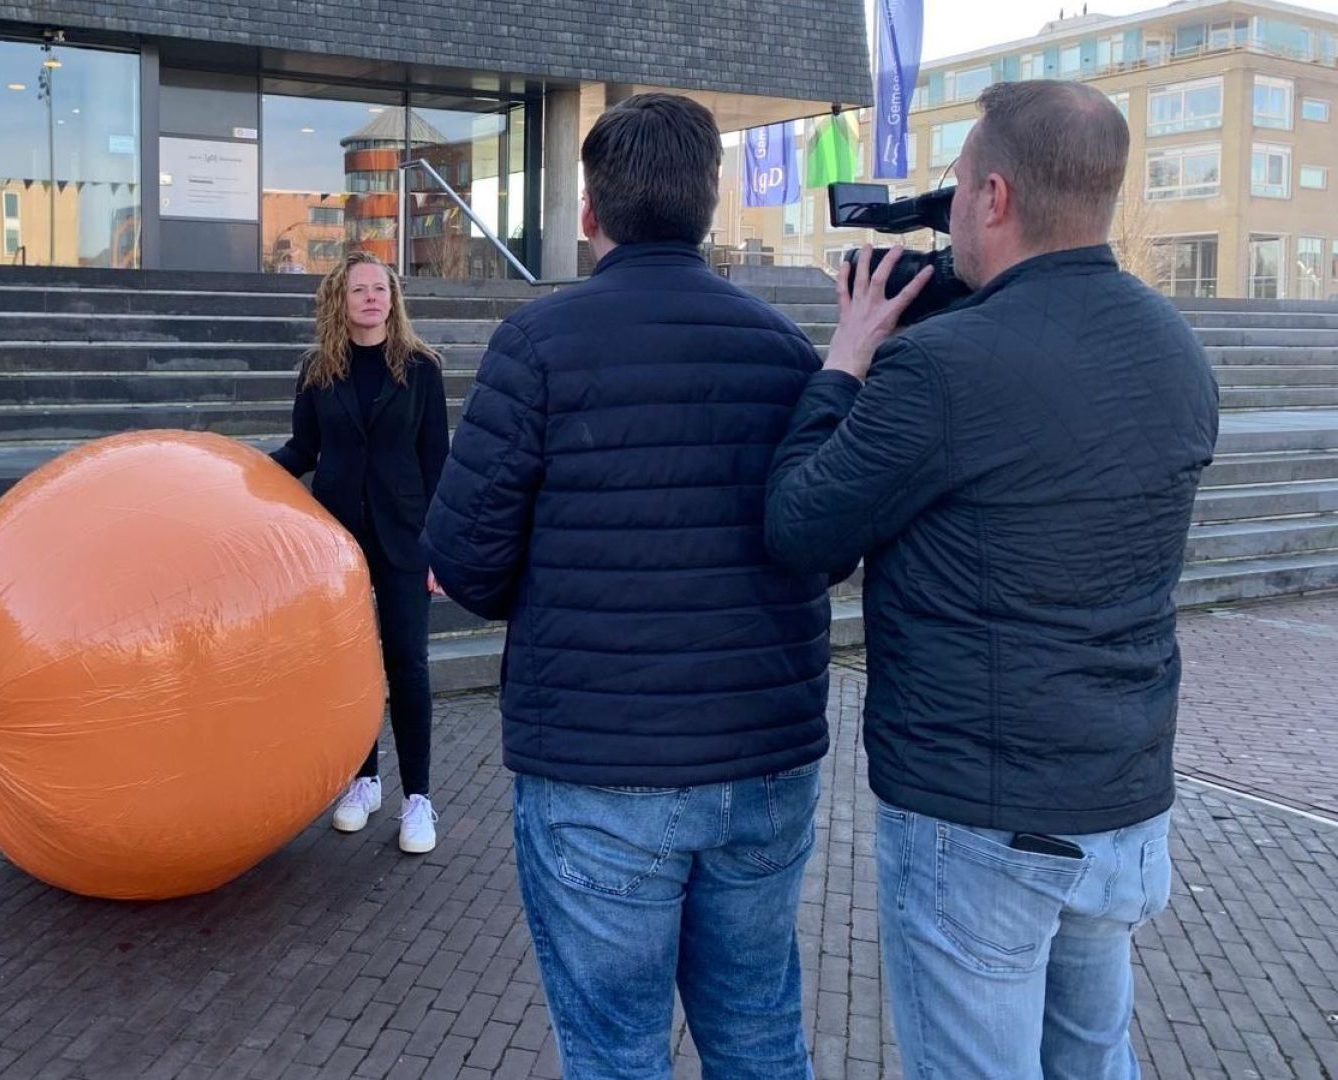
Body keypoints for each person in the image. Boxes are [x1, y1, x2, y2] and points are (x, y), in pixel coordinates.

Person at [764, 80, 1219, 1079]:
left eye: (958, 185)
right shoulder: (1178, 351)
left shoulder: (941, 372)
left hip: (980, 822)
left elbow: (801, 528)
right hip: (1124, 807)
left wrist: (845, 360)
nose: (951, 203)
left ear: (996, 197)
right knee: (1095, 1063)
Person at [423, 93, 831, 1080]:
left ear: (590, 213)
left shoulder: (537, 346)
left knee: (616, 1055)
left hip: (600, 769)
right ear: (711, 200)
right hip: (762, 763)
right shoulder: (785, 350)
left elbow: (467, 563)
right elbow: (823, 538)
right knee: (760, 1033)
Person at [271, 251, 449, 854]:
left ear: (393, 300)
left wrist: (438, 549)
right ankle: (364, 780)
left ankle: (417, 798)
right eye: (360, 290)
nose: (373, 298)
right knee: (349, 665)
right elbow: (303, 449)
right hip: (337, 540)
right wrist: (243, 472)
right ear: (339, 301)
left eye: (382, 289)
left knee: (408, 664)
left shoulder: (422, 369)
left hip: (404, 537)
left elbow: (437, 463)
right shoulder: (318, 369)